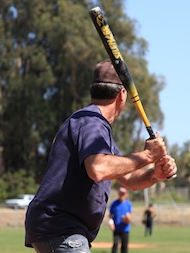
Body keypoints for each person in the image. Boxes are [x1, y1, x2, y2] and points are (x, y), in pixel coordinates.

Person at [25, 59, 177, 253]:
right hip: (61, 226)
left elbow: (130, 180)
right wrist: (148, 155)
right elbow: (98, 168)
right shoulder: (92, 123)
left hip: (60, 227)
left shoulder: (94, 126)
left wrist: (155, 175)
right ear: (123, 95)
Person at [109, 187, 132, 253]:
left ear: (126, 194)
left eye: (123, 194)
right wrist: (111, 223)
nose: (122, 195)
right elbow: (110, 215)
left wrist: (126, 218)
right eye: (121, 193)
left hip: (125, 229)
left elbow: (129, 217)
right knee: (115, 244)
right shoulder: (114, 203)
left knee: (124, 246)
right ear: (118, 194)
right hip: (116, 228)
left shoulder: (128, 204)